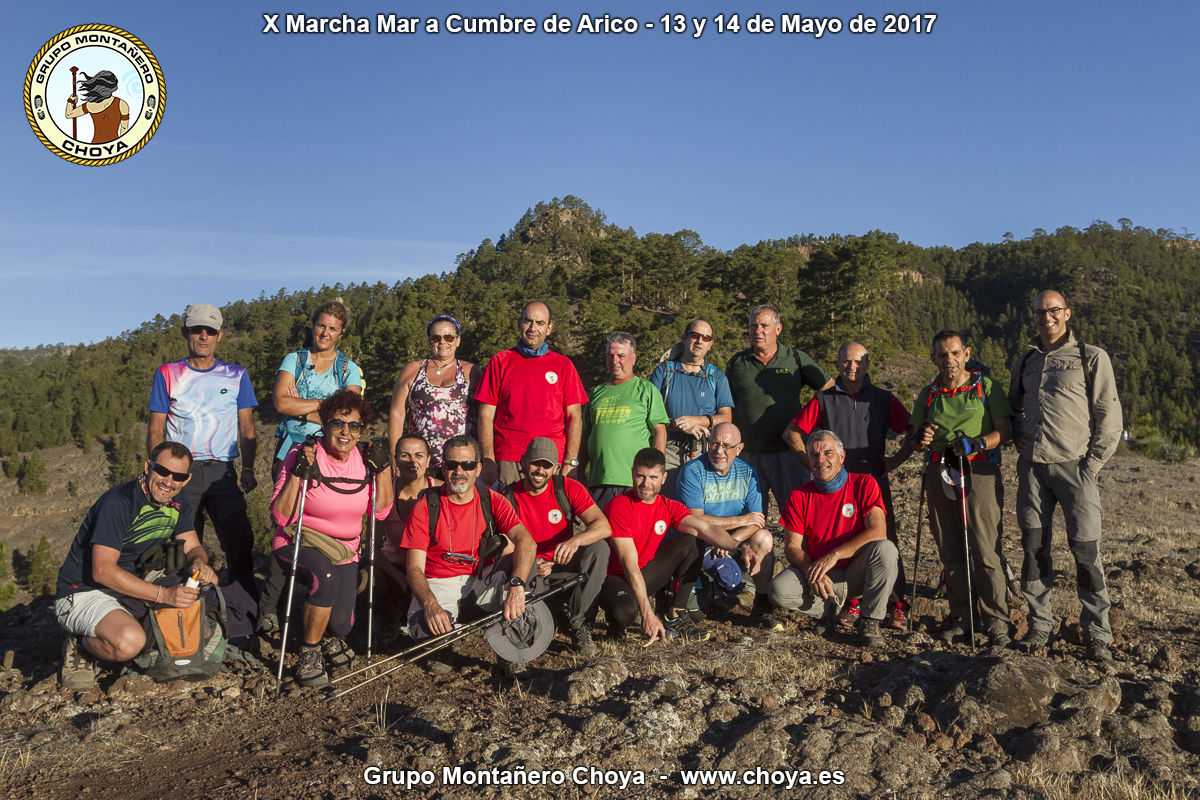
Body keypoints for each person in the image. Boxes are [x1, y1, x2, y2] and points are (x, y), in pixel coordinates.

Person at [1009, 291, 1123, 661]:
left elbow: (1110, 415)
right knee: (1034, 550)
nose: (1047, 317)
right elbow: (1010, 409)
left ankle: (1097, 634)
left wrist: (1091, 465)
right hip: (1033, 470)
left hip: (1076, 468)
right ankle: (1039, 627)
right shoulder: (1025, 361)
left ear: (1067, 313)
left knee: (1086, 552)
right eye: (1041, 312)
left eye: (1054, 310)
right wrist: (1015, 436)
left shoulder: (1091, 357)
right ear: (1035, 317)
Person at [55, 441, 218, 689]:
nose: (168, 481)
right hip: (85, 590)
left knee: (198, 617)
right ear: (148, 467)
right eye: (162, 471)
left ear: (186, 480)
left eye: (178, 476)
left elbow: (193, 547)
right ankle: (81, 644)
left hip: (132, 585)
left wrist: (199, 563)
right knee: (130, 642)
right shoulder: (119, 502)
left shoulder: (178, 501)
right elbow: (103, 570)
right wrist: (164, 595)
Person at [783, 342, 913, 629]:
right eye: (845, 361)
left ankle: (896, 603)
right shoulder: (824, 399)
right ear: (837, 363)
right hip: (832, 487)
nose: (851, 367)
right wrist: (813, 464)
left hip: (872, 483)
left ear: (867, 363)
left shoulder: (882, 399)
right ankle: (853, 600)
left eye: (857, 361)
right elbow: (792, 432)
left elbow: (912, 429)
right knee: (839, 540)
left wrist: (895, 460)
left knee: (883, 542)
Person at [270, 389, 393, 688]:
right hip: (299, 541)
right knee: (325, 580)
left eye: (354, 426)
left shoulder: (365, 460)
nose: (345, 432)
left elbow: (381, 512)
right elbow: (281, 516)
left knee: (342, 625)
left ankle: (327, 634)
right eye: (337, 424)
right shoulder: (304, 454)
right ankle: (309, 654)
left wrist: (384, 470)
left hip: (345, 549)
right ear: (325, 425)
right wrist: (299, 474)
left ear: (362, 429)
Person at [259, 300, 364, 631]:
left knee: (320, 526)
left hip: (332, 455)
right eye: (321, 325)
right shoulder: (296, 359)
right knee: (286, 525)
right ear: (313, 325)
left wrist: (301, 406)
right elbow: (279, 401)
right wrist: (327, 406)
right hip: (292, 451)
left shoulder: (348, 369)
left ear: (341, 332)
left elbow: (349, 412)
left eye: (333, 328)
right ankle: (269, 610)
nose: (325, 332)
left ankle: (315, 596)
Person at [910, 330, 1014, 647]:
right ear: (934, 358)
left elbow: (1005, 430)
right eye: (942, 354)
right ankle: (963, 619)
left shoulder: (985, 387)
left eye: (955, 353)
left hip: (979, 468)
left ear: (967, 354)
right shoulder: (929, 394)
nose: (949, 360)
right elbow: (915, 439)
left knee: (985, 548)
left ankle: (997, 622)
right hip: (940, 469)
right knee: (950, 549)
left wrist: (978, 443)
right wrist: (921, 439)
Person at [147, 303, 259, 599]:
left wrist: (248, 468)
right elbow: (156, 429)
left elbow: (248, 429)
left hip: (221, 471)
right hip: (180, 474)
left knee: (238, 540)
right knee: (180, 548)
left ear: (220, 335)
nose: (203, 336)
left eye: (210, 331)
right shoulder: (167, 373)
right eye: (197, 330)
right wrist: (156, 471)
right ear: (186, 332)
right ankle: (184, 612)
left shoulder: (236, 375)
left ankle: (244, 607)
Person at [400, 435, 537, 675]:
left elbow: (526, 541)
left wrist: (516, 587)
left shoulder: (493, 500)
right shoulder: (426, 505)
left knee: (524, 563)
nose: (459, 471)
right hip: (439, 582)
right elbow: (413, 569)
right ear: (443, 467)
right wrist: (431, 604)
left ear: (479, 468)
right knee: (424, 624)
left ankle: (507, 647)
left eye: (468, 465)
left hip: (480, 579)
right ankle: (442, 646)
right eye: (452, 465)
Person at [598, 448, 762, 644]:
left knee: (694, 539)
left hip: (646, 572)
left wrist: (740, 547)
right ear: (632, 473)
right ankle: (616, 628)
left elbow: (706, 528)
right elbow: (628, 563)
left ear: (664, 478)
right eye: (640, 476)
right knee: (626, 612)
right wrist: (647, 613)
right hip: (615, 577)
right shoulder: (620, 506)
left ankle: (675, 614)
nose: (646, 484)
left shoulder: (668, 506)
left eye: (653, 477)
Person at [767, 430, 898, 647]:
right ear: (808, 459)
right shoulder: (799, 496)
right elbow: (791, 547)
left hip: (857, 572)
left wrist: (835, 555)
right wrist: (811, 571)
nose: (821, 460)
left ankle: (870, 620)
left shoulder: (864, 483)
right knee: (778, 590)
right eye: (814, 455)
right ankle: (828, 610)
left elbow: (878, 531)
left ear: (842, 456)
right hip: (821, 575)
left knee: (886, 549)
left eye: (828, 453)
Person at [501, 437, 612, 657]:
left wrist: (575, 541)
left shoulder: (568, 487)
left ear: (556, 468)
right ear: (523, 462)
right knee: (538, 630)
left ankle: (580, 625)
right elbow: (502, 546)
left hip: (563, 566)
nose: (540, 470)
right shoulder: (507, 496)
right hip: (532, 573)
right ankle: (553, 614)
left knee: (600, 548)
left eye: (547, 465)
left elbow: (604, 526)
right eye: (535, 463)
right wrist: (530, 563)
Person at [725, 304, 834, 514]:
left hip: (789, 454)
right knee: (750, 518)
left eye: (764, 326)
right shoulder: (737, 363)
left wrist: (813, 426)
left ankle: (799, 549)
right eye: (753, 326)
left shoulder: (794, 358)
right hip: (747, 455)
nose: (758, 331)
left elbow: (828, 391)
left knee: (798, 514)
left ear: (778, 328)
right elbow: (724, 405)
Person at [476, 302, 588, 486]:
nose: (533, 328)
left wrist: (571, 462)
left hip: (551, 461)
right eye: (528, 321)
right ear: (520, 323)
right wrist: (488, 459)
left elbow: (574, 416)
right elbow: (485, 415)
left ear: (549, 328)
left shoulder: (564, 365)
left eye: (540, 323)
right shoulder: (500, 361)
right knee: (508, 513)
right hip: (509, 458)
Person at [676, 422, 774, 612]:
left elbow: (757, 521)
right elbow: (695, 517)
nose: (719, 451)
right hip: (701, 540)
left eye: (727, 446)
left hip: (733, 542)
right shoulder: (693, 471)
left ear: (739, 449)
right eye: (714, 443)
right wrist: (740, 521)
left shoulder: (748, 473)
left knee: (764, 538)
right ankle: (715, 585)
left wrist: (732, 541)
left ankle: (762, 603)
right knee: (704, 604)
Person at [649, 319, 735, 497]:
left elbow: (726, 417)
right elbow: (648, 413)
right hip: (669, 449)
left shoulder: (716, 377)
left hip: (705, 451)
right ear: (684, 338)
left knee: (700, 507)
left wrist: (697, 421)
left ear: (710, 344)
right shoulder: (664, 372)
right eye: (695, 335)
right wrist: (677, 424)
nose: (699, 341)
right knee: (668, 503)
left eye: (705, 338)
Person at [583, 332, 669, 510]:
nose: (614, 361)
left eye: (621, 356)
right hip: (598, 482)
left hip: (634, 482)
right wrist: (579, 472)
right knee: (600, 535)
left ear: (633, 358)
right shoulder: (597, 392)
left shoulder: (646, 390)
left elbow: (660, 431)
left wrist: (655, 473)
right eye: (610, 355)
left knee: (632, 535)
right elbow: (586, 435)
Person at [388, 314, 481, 472]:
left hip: (460, 465)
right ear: (430, 340)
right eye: (436, 338)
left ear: (458, 340)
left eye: (449, 337)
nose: (442, 342)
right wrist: (394, 455)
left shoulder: (471, 372)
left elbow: (482, 417)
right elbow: (397, 414)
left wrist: (484, 458)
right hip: (418, 463)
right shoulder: (412, 370)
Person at [379, 434, 443, 597]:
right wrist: (401, 578)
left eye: (419, 455)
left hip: (431, 569)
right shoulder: (385, 491)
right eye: (405, 455)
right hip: (393, 567)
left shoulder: (442, 491)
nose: (412, 462)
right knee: (369, 581)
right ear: (396, 460)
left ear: (428, 460)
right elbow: (371, 550)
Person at [65, 69, 129, 143]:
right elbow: (124, 129)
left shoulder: (90, 105)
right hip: (114, 147)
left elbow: (69, 114)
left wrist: (70, 101)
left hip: (95, 145)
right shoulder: (122, 104)